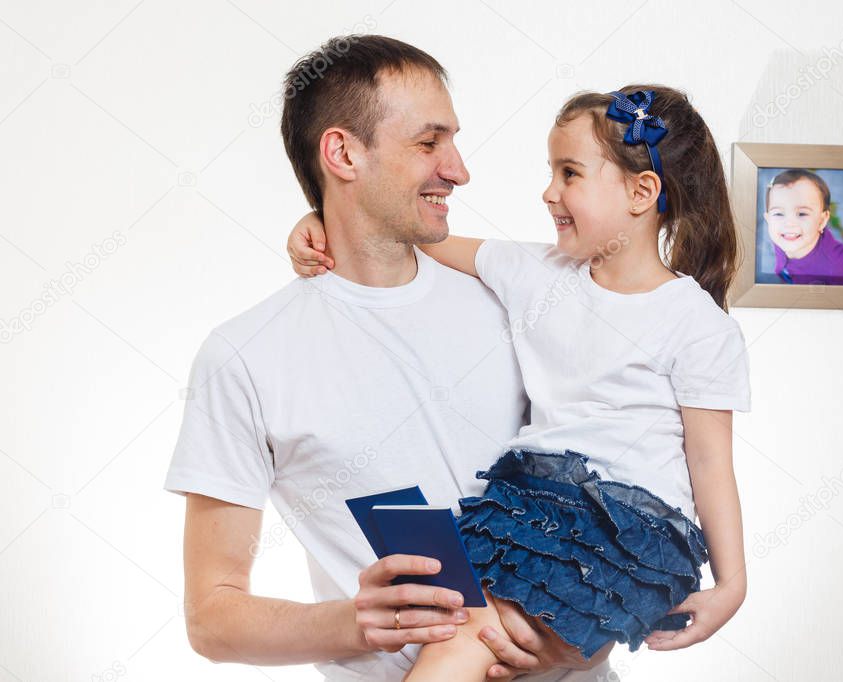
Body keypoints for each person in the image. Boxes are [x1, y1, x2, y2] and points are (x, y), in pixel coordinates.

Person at [164, 34, 613, 681]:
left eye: (453, 141)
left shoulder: (519, 301)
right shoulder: (245, 356)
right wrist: (357, 621)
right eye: (428, 143)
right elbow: (212, 617)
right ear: (343, 152)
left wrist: (594, 625)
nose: (458, 169)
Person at [287, 85, 752, 681]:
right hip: (532, 508)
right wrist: (320, 218)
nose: (549, 192)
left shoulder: (695, 323)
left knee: (458, 643)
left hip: (632, 535)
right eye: (550, 171)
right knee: (456, 627)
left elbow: (712, 463)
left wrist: (732, 583)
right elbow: (411, 235)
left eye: (570, 173)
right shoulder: (533, 272)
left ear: (642, 192)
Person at [763, 169, 843, 285]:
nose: (788, 224)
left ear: (822, 221)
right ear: (768, 219)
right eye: (779, 214)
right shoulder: (782, 237)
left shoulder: (841, 266)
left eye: (802, 213)